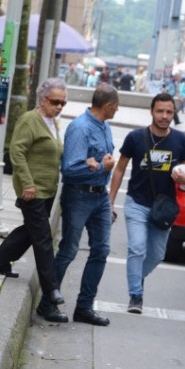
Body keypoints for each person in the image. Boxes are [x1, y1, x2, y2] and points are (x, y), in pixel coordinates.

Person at [0, 78, 66, 321]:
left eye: (63, 102)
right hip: (33, 190)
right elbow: (17, 152)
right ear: (43, 99)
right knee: (42, 238)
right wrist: (27, 183)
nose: (59, 106)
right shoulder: (30, 120)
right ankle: (51, 288)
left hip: (47, 188)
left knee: (31, 231)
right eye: (55, 102)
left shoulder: (53, 122)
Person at [108, 93, 185, 314]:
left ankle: (138, 276)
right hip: (136, 202)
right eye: (160, 111)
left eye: (169, 112)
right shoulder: (135, 138)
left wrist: (184, 178)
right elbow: (119, 168)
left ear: (174, 114)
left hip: (163, 208)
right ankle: (136, 295)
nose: (164, 116)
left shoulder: (181, 140)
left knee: (156, 255)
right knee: (136, 247)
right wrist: (111, 202)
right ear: (152, 112)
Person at [44, 83, 120, 327]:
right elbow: (69, 169)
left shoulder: (105, 127)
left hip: (100, 196)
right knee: (68, 250)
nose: (117, 111)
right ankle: (47, 302)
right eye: (116, 107)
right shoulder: (80, 128)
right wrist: (100, 165)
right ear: (107, 106)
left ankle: (85, 306)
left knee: (101, 250)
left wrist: (100, 165)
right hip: (79, 195)